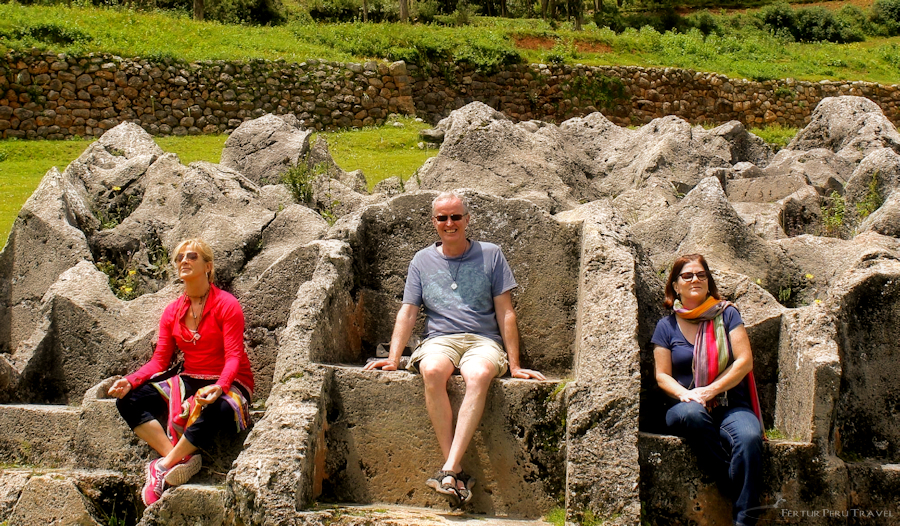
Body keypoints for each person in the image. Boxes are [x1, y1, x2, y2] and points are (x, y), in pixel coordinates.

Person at [364, 191, 545, 506]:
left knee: (479, 374)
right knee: (432, 370)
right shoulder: (422, 260)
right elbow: (408, 312)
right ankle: (454, 470)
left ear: (467, 220)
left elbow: (506, 312)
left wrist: (514, 366)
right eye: (442, 218)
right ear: (434, 222)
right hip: (439, 339)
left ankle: (448, 470)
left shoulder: (491, 255)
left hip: (483, 340)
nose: (450, 223)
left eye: (456, 217)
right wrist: (394, 358)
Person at [108, 238, 254, 506]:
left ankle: (162, 468)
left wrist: (220, 386)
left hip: (231, 382)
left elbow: (234, 356)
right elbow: (159, 362)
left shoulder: (227, 304)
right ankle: (179, 459)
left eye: (191, 256)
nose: (183, 261)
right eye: (179, 258)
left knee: (218, 408)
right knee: (128, 401)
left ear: (208, 266)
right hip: (190, 379)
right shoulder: (172, 311)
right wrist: (129, 381)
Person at [651, 254, 765, 526]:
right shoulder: (666, 326)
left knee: (749, 437)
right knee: (692, 415)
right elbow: (662, 375)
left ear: (709, 281)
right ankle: (731, 482)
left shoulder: (727, 314)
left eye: (701, 275)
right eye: (687, 276)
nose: (695, 280)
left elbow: (744, 361)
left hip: (729, 403)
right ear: (675, 286)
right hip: (685, 405)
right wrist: (686, 394)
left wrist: (710, 390)